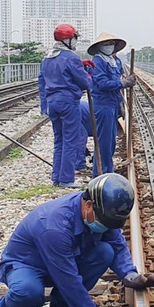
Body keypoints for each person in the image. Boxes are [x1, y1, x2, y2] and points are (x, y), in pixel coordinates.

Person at [0, 173, 154, 307]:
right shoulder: (54, 227)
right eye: (105, 223)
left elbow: (117, 245)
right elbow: (68, 279)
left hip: (64, 259)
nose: (106, 227)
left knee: (105, 252)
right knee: (28, 291)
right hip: (27, 265)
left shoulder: (101, 210)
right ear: (88, 205)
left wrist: (131, 276)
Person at [38, 24, 92, 187]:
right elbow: (84, 83)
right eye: (75, 38)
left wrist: (44, 106)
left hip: (52, 102)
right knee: (71, 140)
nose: (75, 42)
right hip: (68, 102)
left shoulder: (48, 58)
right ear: (68, 40)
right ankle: (67, 179)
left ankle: (57, 177)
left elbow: (42, 81)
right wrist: (88, 75)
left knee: (59, 140)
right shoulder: (71, 57)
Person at [88, 33, 136, 176]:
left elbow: (120, 76)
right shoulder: (97, 62)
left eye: (111, 44)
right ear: (99, 47)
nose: (109, 46)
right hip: (102, 104)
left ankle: (109, 170)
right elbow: (102, 83)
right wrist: (122, 83)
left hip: (113, 104)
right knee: (104, 142)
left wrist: (122, 97)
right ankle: (100, 174)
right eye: (106, 44)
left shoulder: (115, 61)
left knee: (111, 142)